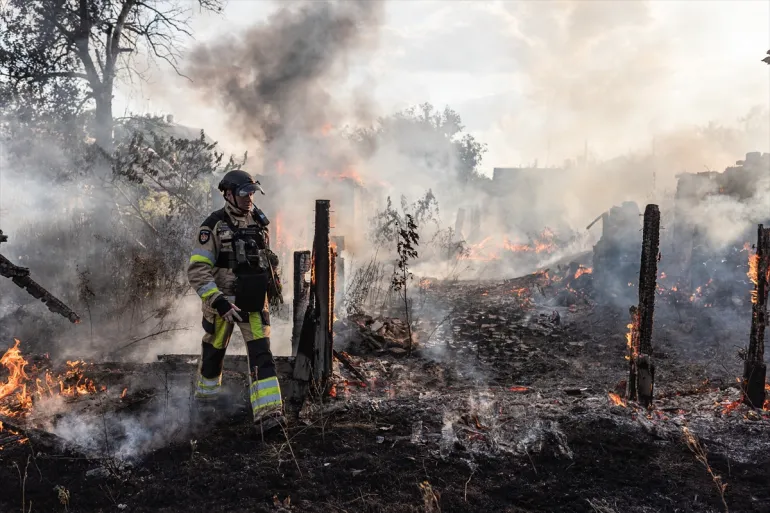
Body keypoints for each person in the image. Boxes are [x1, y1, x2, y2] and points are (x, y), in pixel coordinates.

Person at [187, 169, 285, 433]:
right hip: (223, 304)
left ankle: (269, 415)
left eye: (252, 192)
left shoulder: (258, 221)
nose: (249, 198)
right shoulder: (213, 226)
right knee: (214, 352)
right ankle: (205, 405)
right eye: (243, 193)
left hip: (254, 303)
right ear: (228, 194)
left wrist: (274, 288)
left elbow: (264, 261)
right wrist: (218, 301)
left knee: (262, 353)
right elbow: (197, 270)